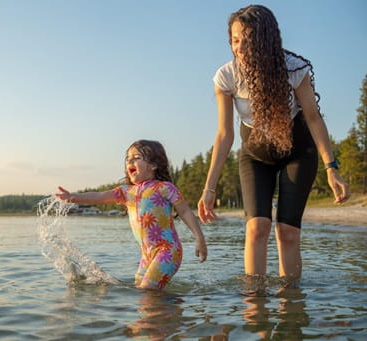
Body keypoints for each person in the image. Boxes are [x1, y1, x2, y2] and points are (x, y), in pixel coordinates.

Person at [197, 5, 350, 283]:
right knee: (257, 228)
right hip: (255, 157)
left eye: (248, 38)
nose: (240, 47)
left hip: (297, 153)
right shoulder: (226, 76)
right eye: (235, 40)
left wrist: (332, 167)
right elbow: (224, 135)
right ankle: (255, 308)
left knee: (288, 232)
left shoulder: (294, 69)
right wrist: (209, 188)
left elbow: (314, 119)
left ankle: (289, 304)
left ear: (266, 39)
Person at [56, 139, 207, 290]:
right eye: (128, 159)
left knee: (147, 291)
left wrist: (199, 238)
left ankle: (165, 310)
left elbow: (185, 211)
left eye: (137, 158)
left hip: (167, 251)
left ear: (153, 165)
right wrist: (73, 197)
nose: (130, 161)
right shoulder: (126, 192)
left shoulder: (165, 188)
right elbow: (100, 196)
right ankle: (167, 311)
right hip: (146, 255)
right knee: (140, 291)